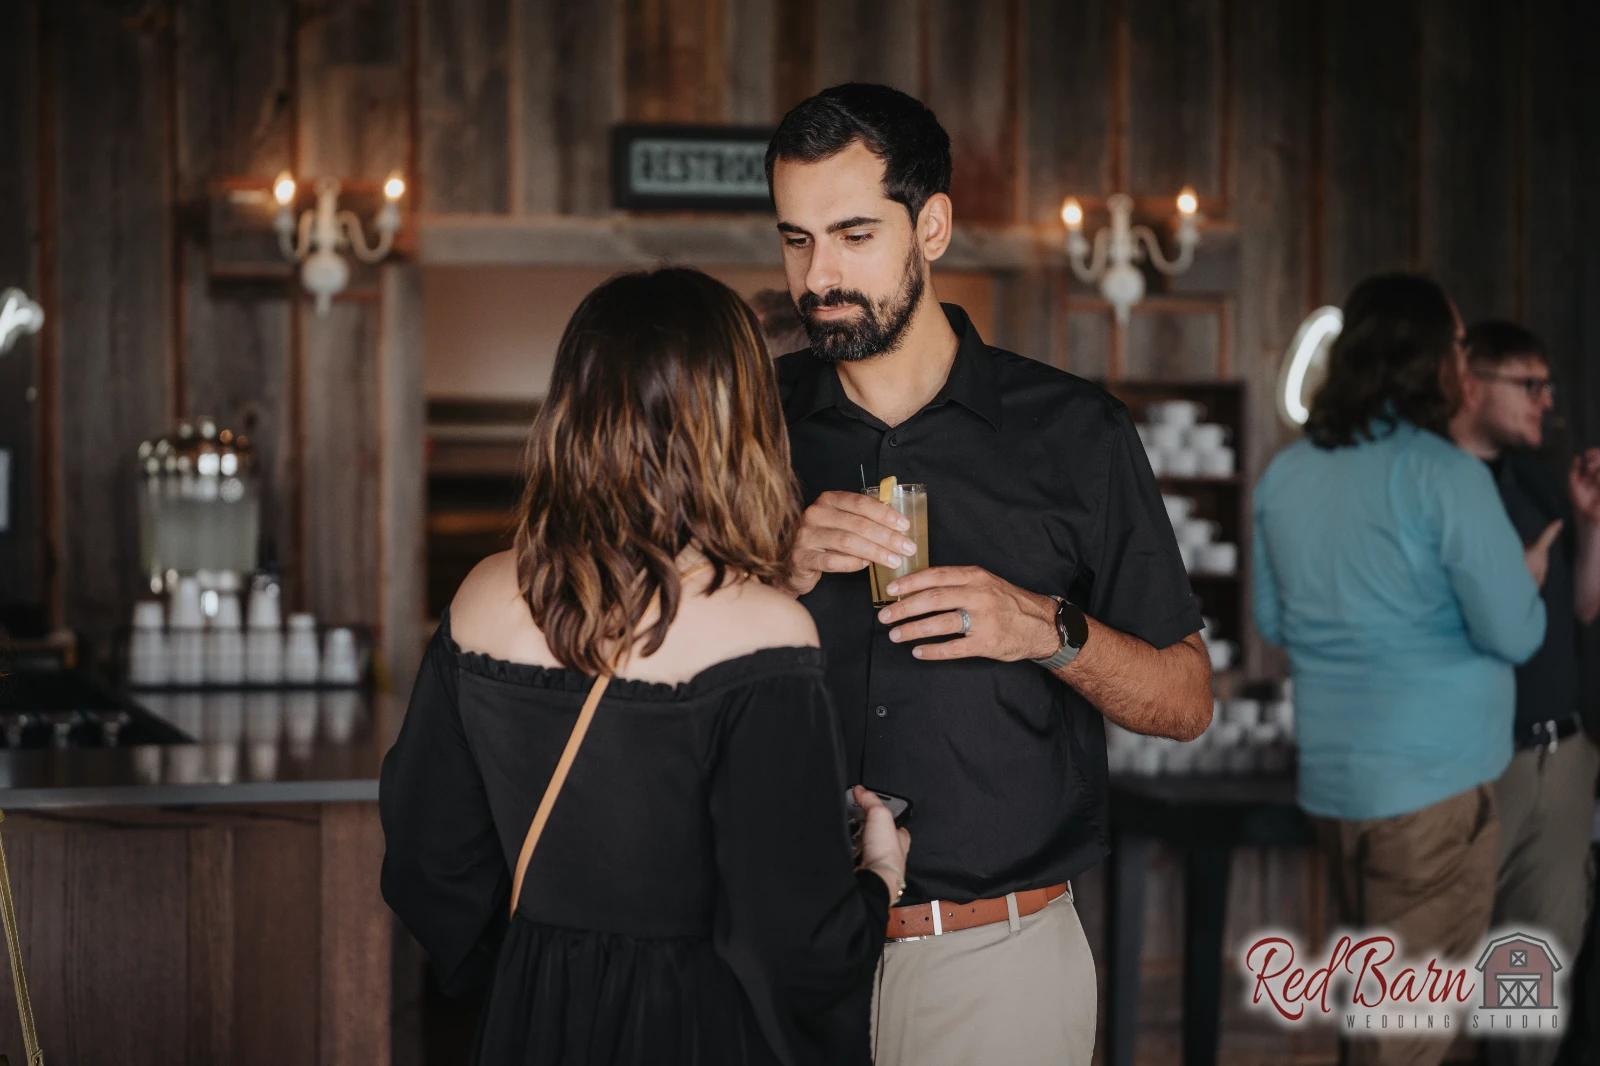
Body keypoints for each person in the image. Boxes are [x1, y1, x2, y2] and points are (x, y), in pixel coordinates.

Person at [764, 83, 1212, 1066]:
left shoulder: (1074, 434)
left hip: (997, 966)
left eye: (851, 234)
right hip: (773, 956)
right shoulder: (745, 425)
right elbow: (637, 647)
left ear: (932, 226)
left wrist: (1047, 629)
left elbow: (1185, 700)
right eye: (795, 239)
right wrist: (774, 571)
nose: (818, 275)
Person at [379, 268, 911, 1066]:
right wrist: (879, 878)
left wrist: (545, 964)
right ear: (740, 422)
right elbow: (797, 945)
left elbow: (428, 861)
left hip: (532, 1017)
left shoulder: (480, 597)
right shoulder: (765, 628)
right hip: (700, 1027)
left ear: (573, 408)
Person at [1252, 274, 1546, 1066]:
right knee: (1406, 1040)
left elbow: (1276, 623)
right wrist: (1525, 577)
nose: (1463, 359)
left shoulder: (1288, 474)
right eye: (1456, 345)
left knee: (1377, 1020)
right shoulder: (1445, 475)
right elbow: (1515, 631)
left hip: (1336, 790)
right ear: (1429, 362)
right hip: (1433, 794)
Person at [1449, 320, 1600, 1066]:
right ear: (1471, 384)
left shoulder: (1539, 478)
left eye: (1548, 384)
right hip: (1477, 764)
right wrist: (1508, 591)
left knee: (1534, 986)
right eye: (1527, 384)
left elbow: (1584, 608)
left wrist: (1589, 522)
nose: (1546, 400)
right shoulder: (1431, 485)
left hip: (1563, 759)